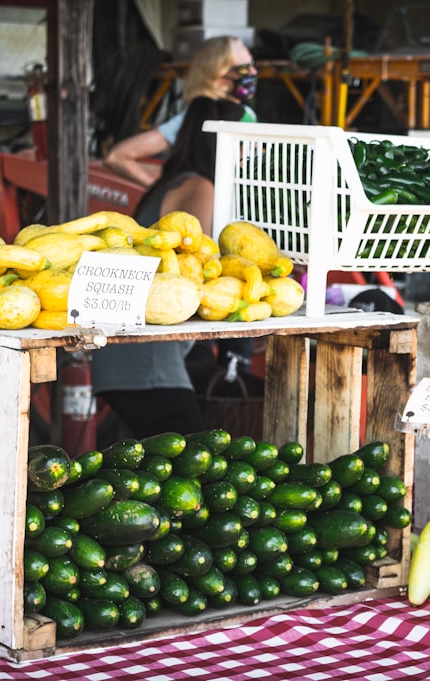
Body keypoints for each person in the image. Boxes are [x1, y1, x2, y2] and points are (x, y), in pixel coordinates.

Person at [91, 40, 258, 442]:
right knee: (199, 460)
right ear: (221, 145)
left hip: (132, 357)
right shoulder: (200, 189)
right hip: (145, 365)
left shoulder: (178, 183)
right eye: (243, 148)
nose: (247, 158)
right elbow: (195, 270)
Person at [102, 35, 258, 189]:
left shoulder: (245, 111)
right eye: (243, 68)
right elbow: (117, 157)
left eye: (252, 64)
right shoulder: (195, 116)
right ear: (216, 73)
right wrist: (159, 191)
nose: (253, 72)